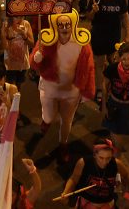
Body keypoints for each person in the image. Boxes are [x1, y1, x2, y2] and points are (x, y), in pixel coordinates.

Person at [29, 11, 96, 164]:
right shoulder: (46, 40)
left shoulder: (82, 44)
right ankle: (46, 122)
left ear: (73, 24)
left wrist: (87, 91)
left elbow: (89, 68)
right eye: (61, 25)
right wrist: (36, 58)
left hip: (71, 92)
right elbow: (33, 64)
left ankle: (63, 144)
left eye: (67, 24)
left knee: (67, 121)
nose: (65, 27)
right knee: (49, 116)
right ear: (55, 26)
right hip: (49, 88)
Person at [90, 0, 129, 108]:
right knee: (99, 64)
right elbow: (90, 18)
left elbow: (124, 15)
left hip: (113, 36)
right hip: (99, 37)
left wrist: (128, 34)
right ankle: (99, 90)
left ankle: (115, 83)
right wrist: (93, 11)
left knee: (113, 61)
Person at [60, 138, 129, 208]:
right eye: (101, 158)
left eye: (108, 158)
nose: (104, 162)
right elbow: (73, 179)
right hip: (86, 202)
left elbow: (127, 175)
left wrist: (128, 191)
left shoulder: (116, 164)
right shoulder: (83, 162)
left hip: (107, 203)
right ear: (95, 154)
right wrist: (66, 192)